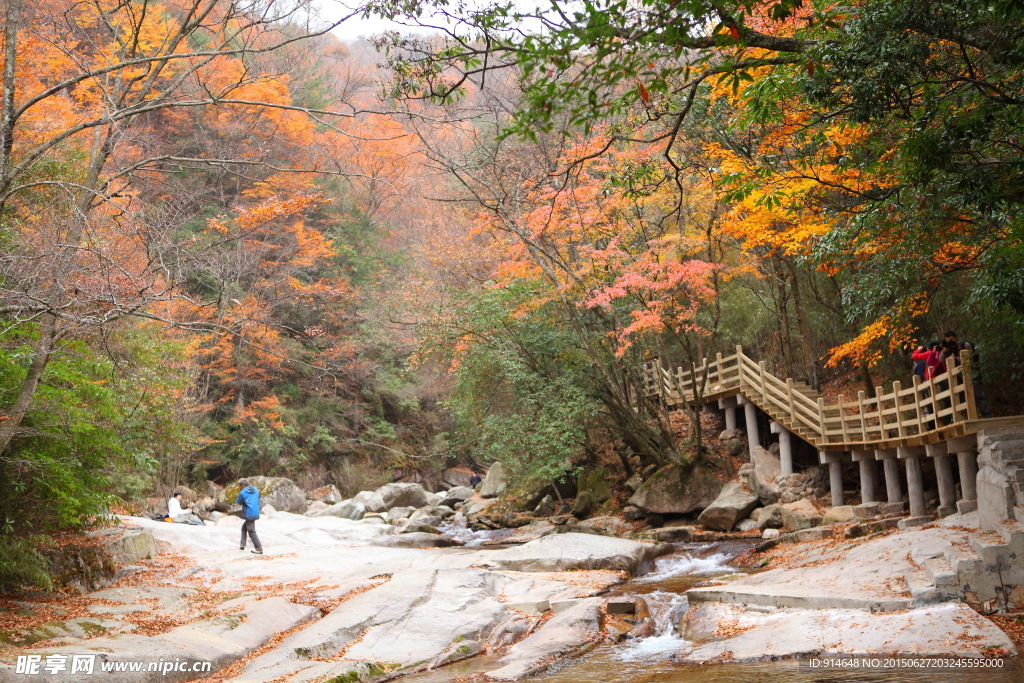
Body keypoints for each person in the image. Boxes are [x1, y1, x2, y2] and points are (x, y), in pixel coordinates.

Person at [944, 330, 993, 418]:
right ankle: (965, 417)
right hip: (958, 376)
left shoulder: (965, 345)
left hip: (971, 373)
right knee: (959, 397)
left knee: (978, 395)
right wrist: (944, 350)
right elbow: (940, 359)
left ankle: (987, 415)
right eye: (948, 340)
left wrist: (955, 358)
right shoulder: (949, 349)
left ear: (956, 338)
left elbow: (969, 359)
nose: (951, 342)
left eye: (952, 340)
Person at [236, 479, 264, 554]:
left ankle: (259, 548)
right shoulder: (256, 490)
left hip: (249, 513)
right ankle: (242, 545)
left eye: (240, 486)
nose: (240, 488)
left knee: (251, 531)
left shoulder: (243, 492)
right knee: (244, 528)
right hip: (256, 512)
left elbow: (238, 502)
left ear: (242, 486)